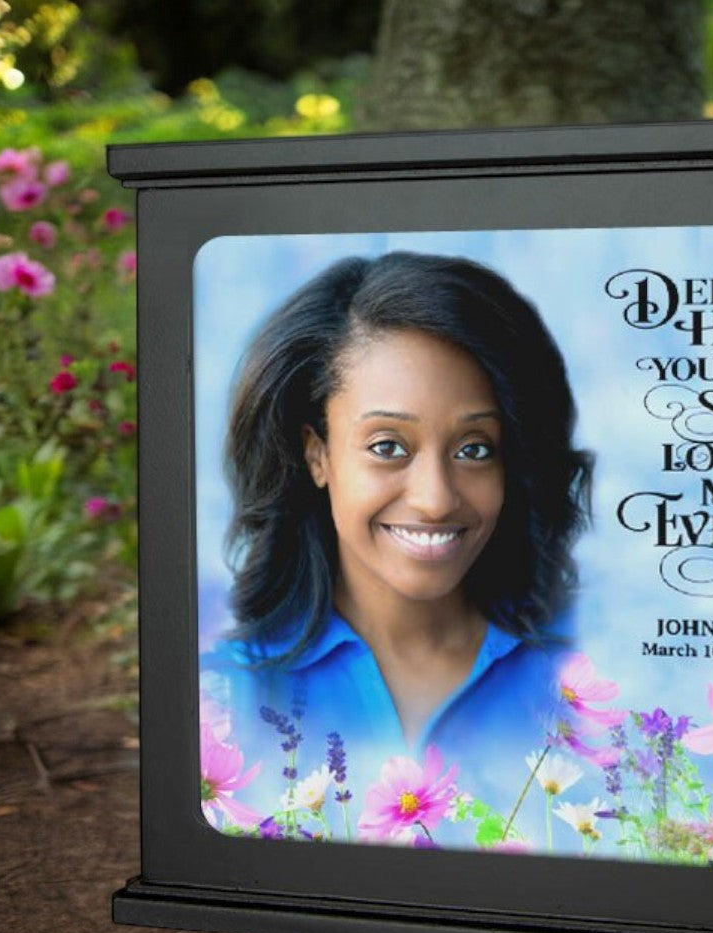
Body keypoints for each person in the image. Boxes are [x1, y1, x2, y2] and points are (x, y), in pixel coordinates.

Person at [199, 251, 594, 851]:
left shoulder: (589, 669)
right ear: (318, 454)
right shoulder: (224, 690)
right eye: (388, 446)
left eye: (475, 449)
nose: (435, 500)